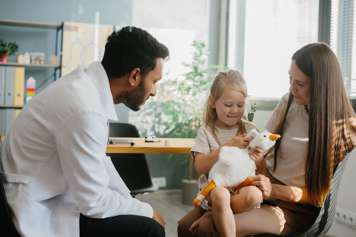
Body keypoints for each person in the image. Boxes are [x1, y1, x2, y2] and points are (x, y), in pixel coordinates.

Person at [0, 26, 169, 237]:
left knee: (139, 216)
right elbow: (93, 201)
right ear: (134, 76)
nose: (154, 91)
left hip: (52, 192)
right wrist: (148, 211)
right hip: (36, 206)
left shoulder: (85, 87)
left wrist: (136, 205)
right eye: (154, 81)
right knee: (149, 230)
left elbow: (101, 165)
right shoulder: (85, 109)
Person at [177, 42, 356, 237]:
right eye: (290, 79)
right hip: (262, 189)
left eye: (300, 83)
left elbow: (318, 196)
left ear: (321, 85)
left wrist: (272, 190)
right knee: (185, 226)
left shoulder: (344, 128)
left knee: (206, 228)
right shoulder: (288, 102)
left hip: (294, 209)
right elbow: (260, 147)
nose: (292, 88)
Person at [178, 70, 265, 237]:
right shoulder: (206, 132)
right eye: (228, 104)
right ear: (213, 102)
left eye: (240, 105)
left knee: (254, 194)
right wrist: (226, 147)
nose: (234, 110)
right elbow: (200, 166)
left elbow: (260, 168)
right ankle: (214, 212)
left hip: (242, 188)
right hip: (214, 190)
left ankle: (213, 214)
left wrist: (259, 159)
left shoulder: (250, 130)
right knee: (218, 196)